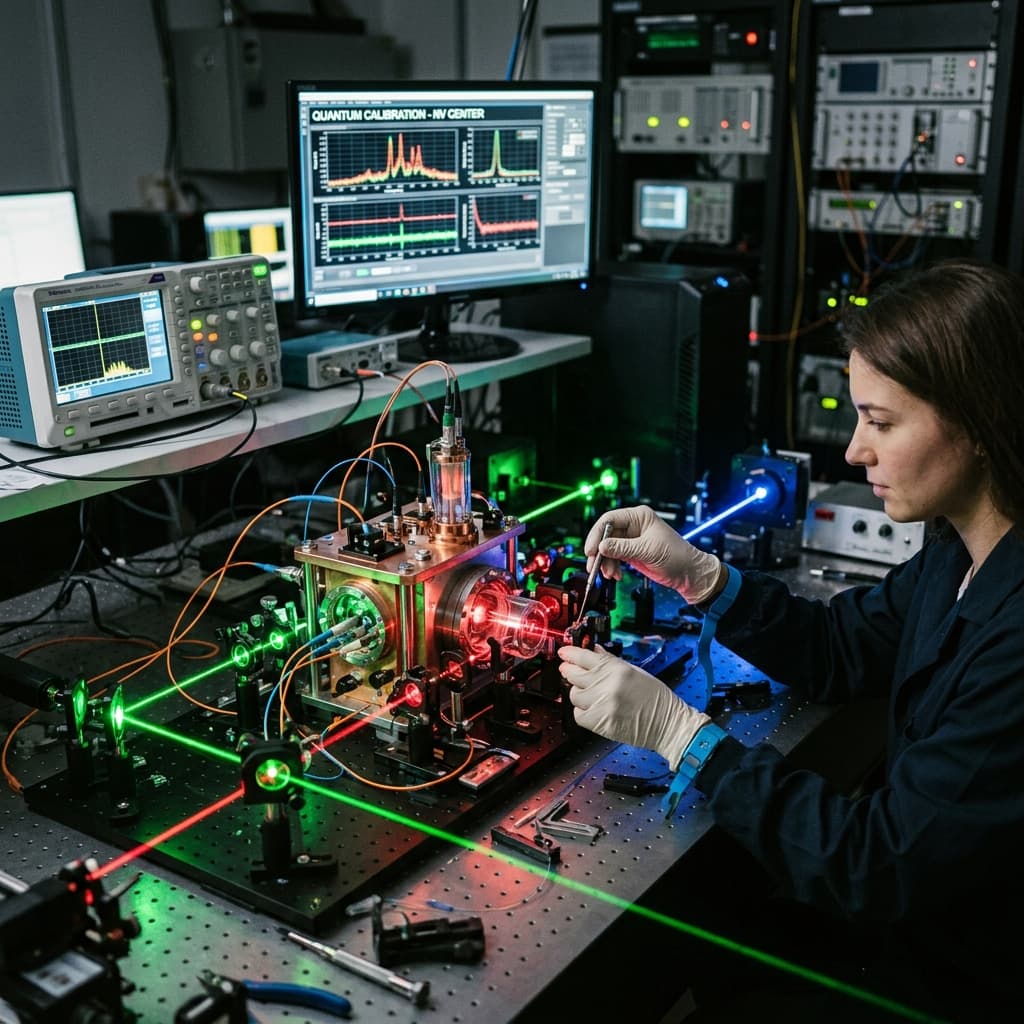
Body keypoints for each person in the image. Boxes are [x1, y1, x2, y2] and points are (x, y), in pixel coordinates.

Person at [557, 259, 1024, 1023]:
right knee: (715, 938)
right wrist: (704, 578)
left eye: (881, 422)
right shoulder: (962, 549)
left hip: (962, 985)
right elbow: (843, 646)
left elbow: (874, 862)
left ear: (977, 421)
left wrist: (683, 736)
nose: (855, 450)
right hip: (922, 933)